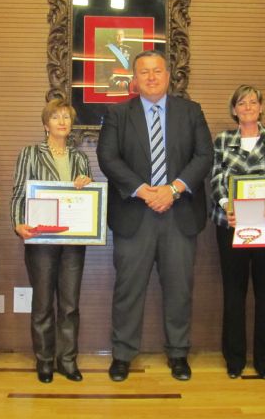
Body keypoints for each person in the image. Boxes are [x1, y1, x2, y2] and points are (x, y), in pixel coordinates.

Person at [97, 49, 213, 381]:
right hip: (135, 214)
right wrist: (144, 190)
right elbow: (108, 158)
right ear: (134, 79)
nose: (151, 77)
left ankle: (178, 353)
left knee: (179, 289)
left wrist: (172, 189)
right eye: (144, 72)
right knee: (128, 289)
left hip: (180, 214)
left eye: (157, 70)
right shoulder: (118, 114)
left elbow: (204, 156)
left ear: (168, 75)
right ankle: (122, 354)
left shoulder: (191, 111)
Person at [210, 85, 265, 380]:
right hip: (231, 224)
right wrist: (226, 206)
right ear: (234, 110)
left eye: (253, 102)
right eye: (241, 103)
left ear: (261, 107)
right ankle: (234, 360)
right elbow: (216, 178)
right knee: (234, 293)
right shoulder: (223, 140)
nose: (247, 107)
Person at [10, 99, 92, 383]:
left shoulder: (80, 158)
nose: (62, 121)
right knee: (43, 303)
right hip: (41, 240)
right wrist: (18, 223)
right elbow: (19, 193)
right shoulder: (30, 153)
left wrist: (86, 184)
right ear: (46, 124)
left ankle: (67, 360)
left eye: (66, 117)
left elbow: (88, 200)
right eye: (56, 117)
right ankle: (44, 361)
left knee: (70, 305)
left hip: (73, 240)